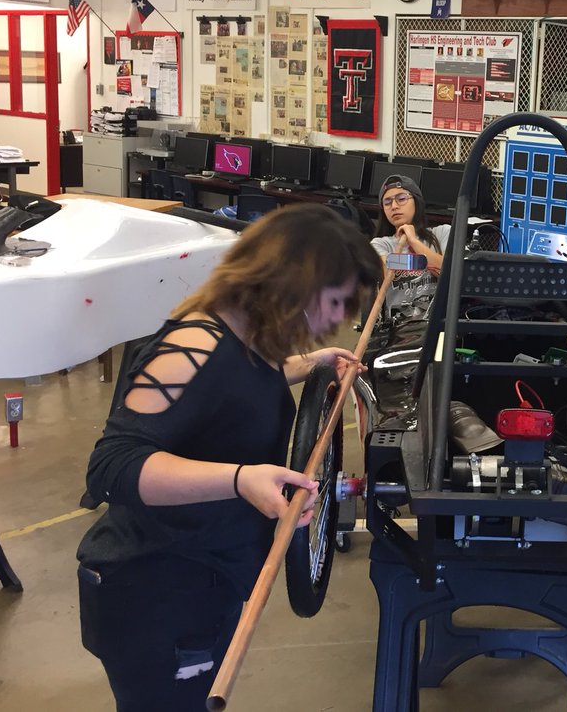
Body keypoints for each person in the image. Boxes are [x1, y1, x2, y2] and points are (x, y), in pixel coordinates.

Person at [76, 204, 380, 711]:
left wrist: (310, 363)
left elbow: (237, 389)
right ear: (289, 283)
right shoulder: (192, 343)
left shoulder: (245, 340)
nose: (335, 320)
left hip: (204, 578)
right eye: (333, 302)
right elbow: (112, 467)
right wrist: (240, 480)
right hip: (155, 590)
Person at [371, 174, 452, 323]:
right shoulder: (380, 244)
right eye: (387, 202)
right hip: (399, 328)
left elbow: (450, 272)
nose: (394, 206)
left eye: (401, 199)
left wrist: (414, 242)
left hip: (439, 325)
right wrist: (430, 262)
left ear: (416, 201)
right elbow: (389, 272)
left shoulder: (443, 233)